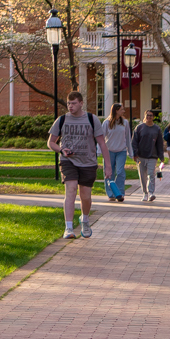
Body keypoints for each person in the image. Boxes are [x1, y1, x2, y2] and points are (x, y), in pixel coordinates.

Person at [46, 99, 105, 238]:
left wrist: (107, 167)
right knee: (71, 191)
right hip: (68, 161)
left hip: (88, 162)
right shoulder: (62, 120)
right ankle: (68, 228)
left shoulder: (92, 119)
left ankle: (85, 219)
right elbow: (51, 142)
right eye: (68, 103)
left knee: (86, 196)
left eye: (73, 103)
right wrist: (61, 150)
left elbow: (102, 143)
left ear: (81, 103)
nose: (70, 106)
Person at [132, 114, 168, 202]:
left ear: (153, 117)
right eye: (147, 115)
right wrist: (135, 153)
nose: (149, 117)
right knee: (143, 176)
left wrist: (161, 156)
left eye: (151, 115)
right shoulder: (139, 128)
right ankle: (145, 193)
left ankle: (151, 192)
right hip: (141, 156)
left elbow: (159, 143)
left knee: (151, 174)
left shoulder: (157, 129)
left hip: (152, 156)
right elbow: (134, 141)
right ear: (145, 116)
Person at [102, 111, 133, 203]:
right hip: (109, 151)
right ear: (116, 111)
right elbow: (101, 138)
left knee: (120, 172)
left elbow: (128, 137)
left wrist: (130, 151)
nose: (123, 111)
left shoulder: (125, 122)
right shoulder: (106, 123)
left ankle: (120, 193)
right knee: (109, 173)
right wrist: (99, 150)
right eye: (121, 109)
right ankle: (111, 194)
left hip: (121, 151)